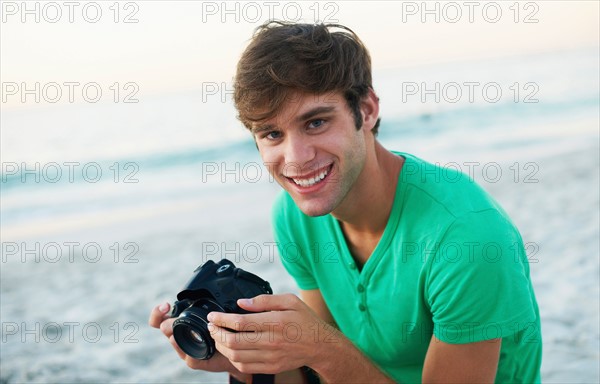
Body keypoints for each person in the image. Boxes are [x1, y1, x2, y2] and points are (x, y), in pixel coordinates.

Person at [149, 21, 542, 383]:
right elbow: (320, 377)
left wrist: (320, 346)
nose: (296, 158)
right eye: (271, 134)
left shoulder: (465, 238)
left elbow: (330, 359)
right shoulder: (295, 216)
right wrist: (247, 364)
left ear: (366, 110)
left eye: (316, 122)